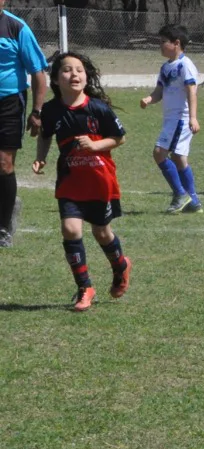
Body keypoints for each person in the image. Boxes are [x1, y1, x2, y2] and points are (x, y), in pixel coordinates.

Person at [32, 52, 131, 311]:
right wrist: (40, 157)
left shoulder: (98, 109)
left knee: (102, 232)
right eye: (67, 70)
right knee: (70, 229)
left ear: (86, 77)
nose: (74, 74)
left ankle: (120, 266)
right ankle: (84, 287)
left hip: (100, 181)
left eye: (79, 70)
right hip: (70, 180)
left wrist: (96, 145)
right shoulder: (51, 110)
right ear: (56, 79)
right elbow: (45, 135)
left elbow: (119, 138)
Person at [0, 0, 49, 248]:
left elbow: (38, 72)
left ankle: (3, 226)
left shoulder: (17, 28)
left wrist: (37, 112)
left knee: (4, 163)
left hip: (9, 103)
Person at [139, 24, 202, 214]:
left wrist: (193, 117)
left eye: (163, 41)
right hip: (170, 119)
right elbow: (159, 92)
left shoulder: (185, 65)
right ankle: (193, 201)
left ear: (176, 43)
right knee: (178, 158)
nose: (160, 45)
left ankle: (180, 194)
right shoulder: (165, 67)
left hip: (180, 118)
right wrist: (149, 99)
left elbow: (191, 91)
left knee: (159, 153)